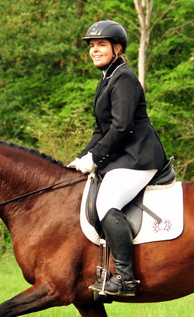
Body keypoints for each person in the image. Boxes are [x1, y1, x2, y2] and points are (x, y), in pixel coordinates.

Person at [69, 20, 167, 297]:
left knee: (107, 203)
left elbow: (121, 127)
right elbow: (101, 130)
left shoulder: (123, 77)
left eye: (101, 45)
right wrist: (80, 159)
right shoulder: (106, 79)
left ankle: (124, 277)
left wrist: (96, 159)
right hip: (122, 156)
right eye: (91, 46)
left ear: (117, 47)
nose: (94, 51)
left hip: (139, 157)